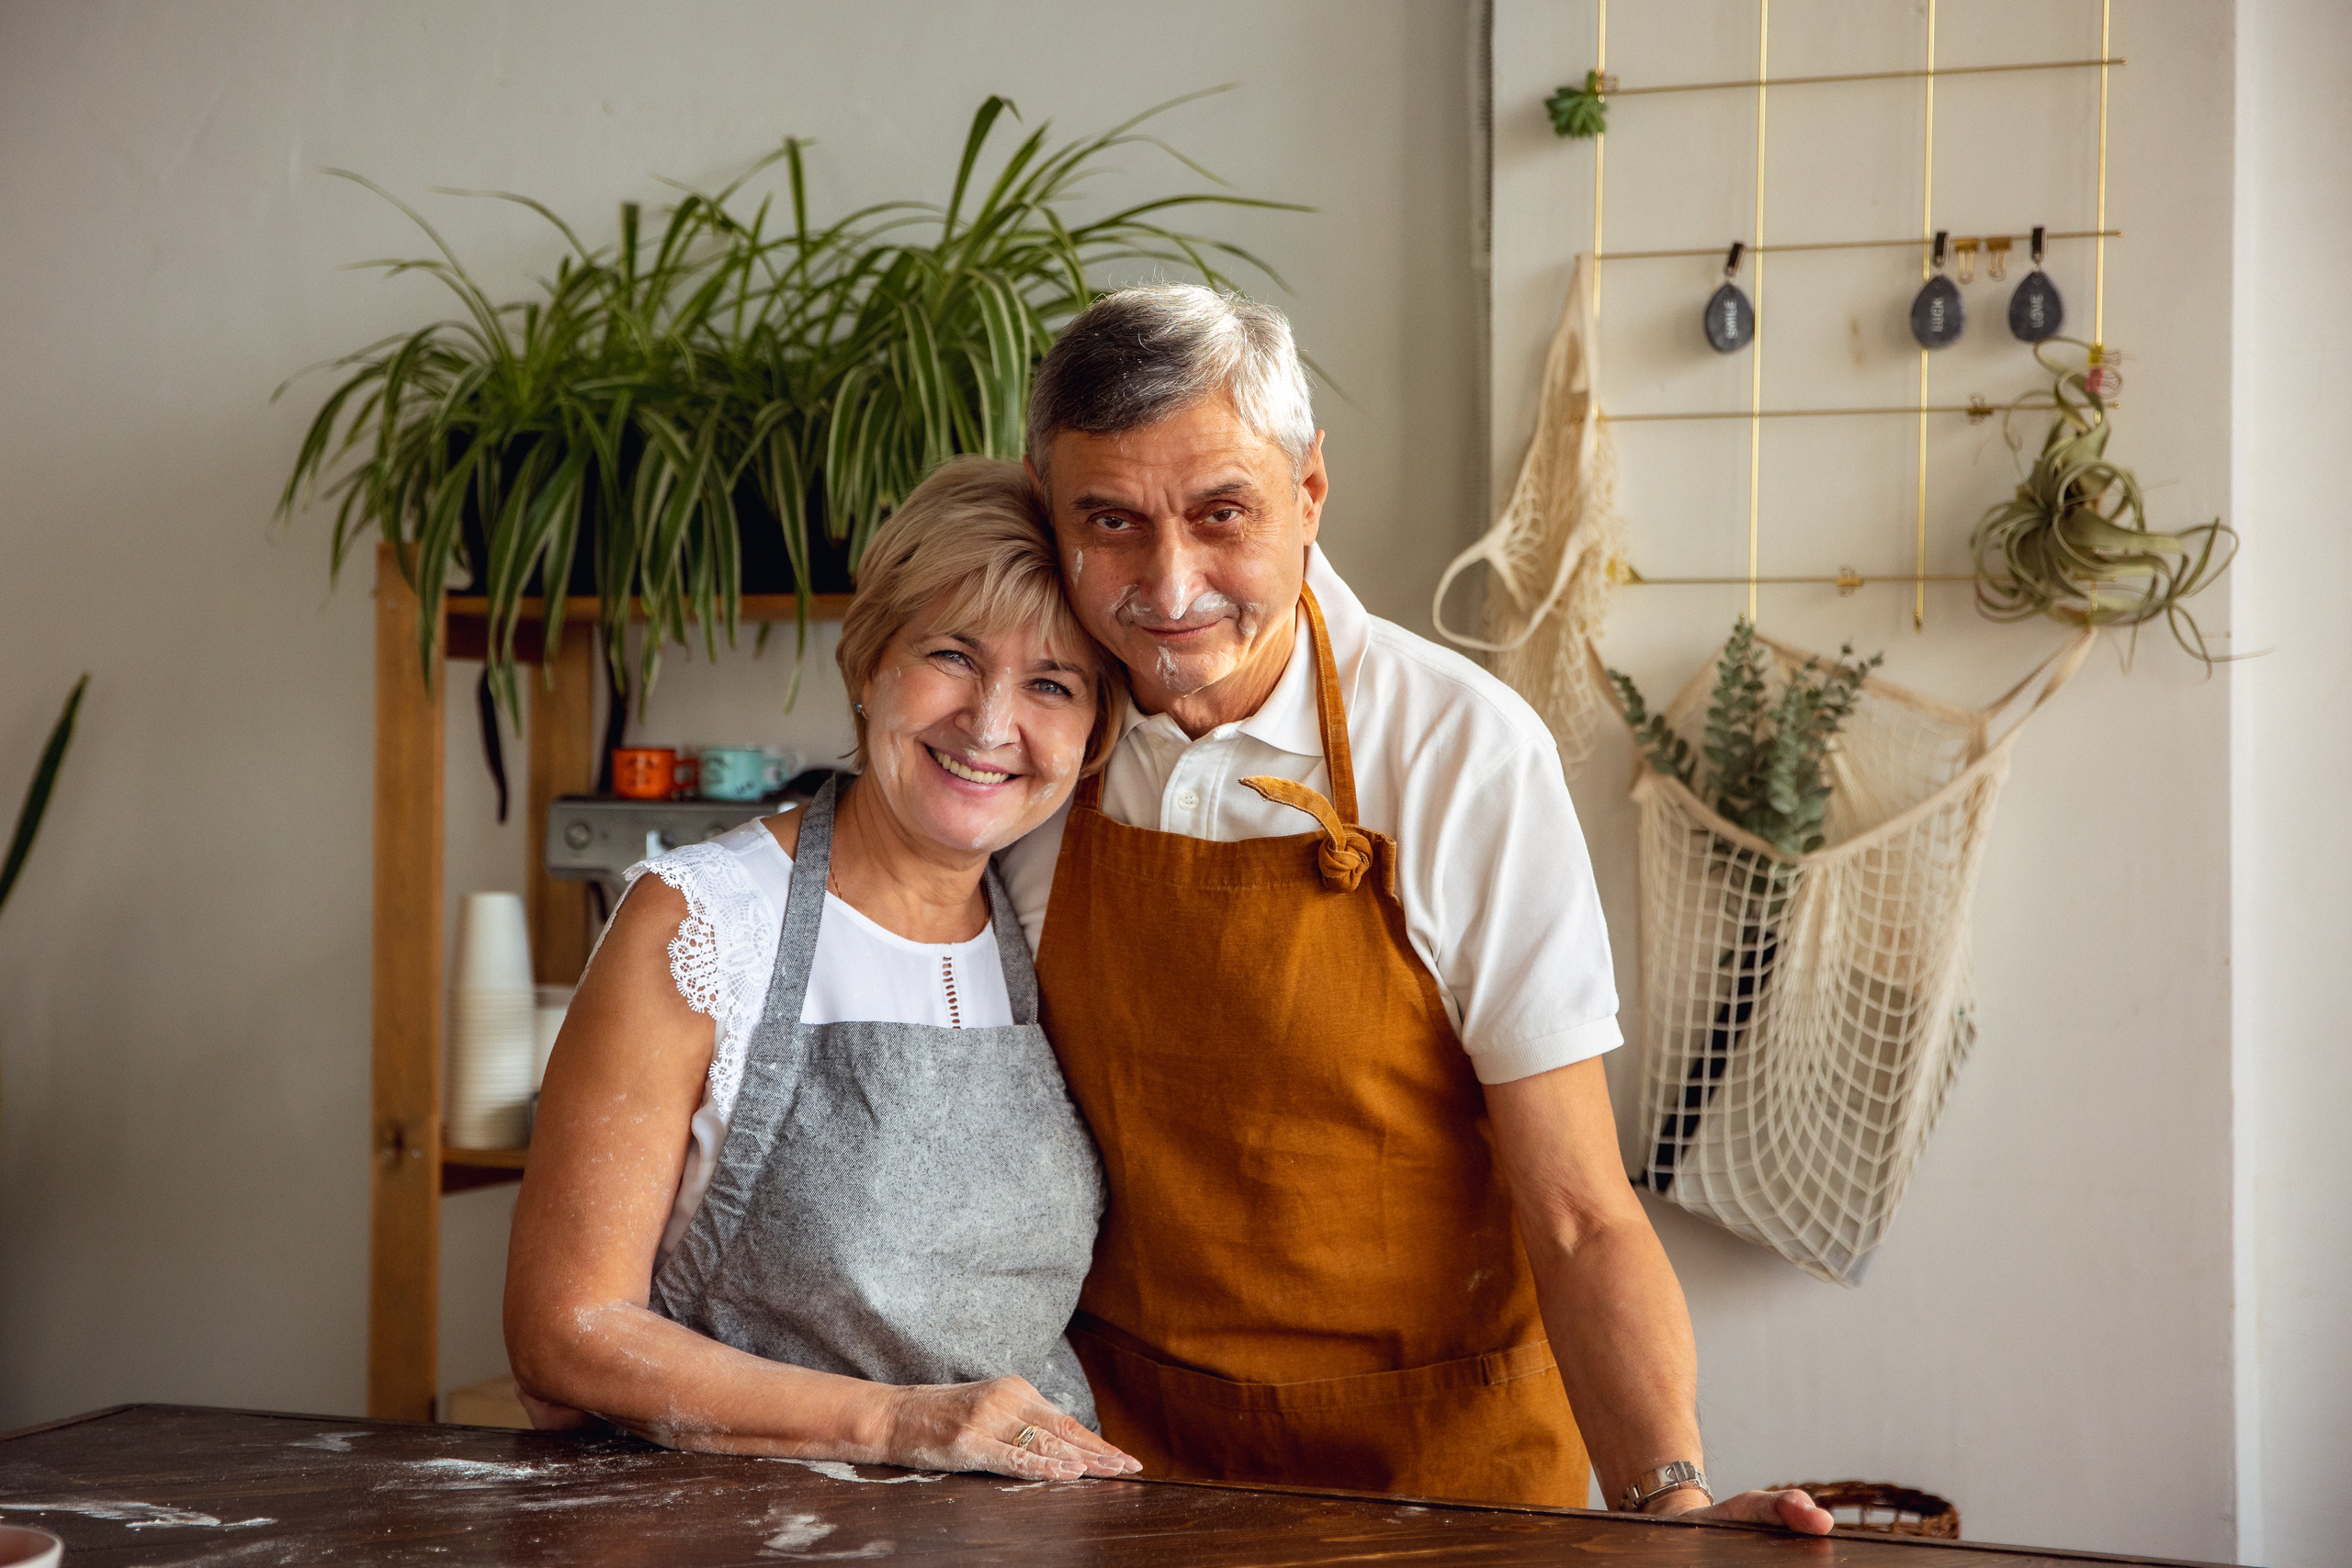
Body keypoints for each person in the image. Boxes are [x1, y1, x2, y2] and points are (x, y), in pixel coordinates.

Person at [999, 285, 1834, 1531]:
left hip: (1447, 1487)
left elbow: (1579, 1209)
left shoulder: (1461, 752)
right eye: (1109, 522)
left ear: (1310, 491)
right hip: (1136, 1478)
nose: (1170, 585)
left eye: (1223, 513)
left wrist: (1669, 1495)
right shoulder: (1037, 750)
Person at [505, 457, 1139, 1483]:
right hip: (746, 1530)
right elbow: (564, 1332)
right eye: (951, 655)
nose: (989, 723)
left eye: (1051, 685)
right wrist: (898, 1424)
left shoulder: (1050, 921)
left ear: (1093, 731)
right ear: (868, 663)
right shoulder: (703, 923)